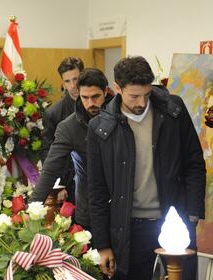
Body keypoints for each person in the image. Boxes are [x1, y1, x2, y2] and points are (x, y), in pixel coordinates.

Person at [87, 56, 206, 280]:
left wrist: (192, 215)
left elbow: (194, 163)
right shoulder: (100, 128)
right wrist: (102, 245)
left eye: (146, 94)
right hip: (130, 228)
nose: (141, 102)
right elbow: (97, 190)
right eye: (134, 96)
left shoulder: (174, 110)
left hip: (174, 222)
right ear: (117, 88)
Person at [31, 68, 111, 230]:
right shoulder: (69, 126)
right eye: (85, 98)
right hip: (88, 206)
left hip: (122, 207)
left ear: (106, 92)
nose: (90, 103)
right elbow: (51, 169)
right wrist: (33, 207)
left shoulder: (120, 118)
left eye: (95, 97)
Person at [40, 57, 84, 203]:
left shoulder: (98, 105)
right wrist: (56, 186)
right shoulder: (53, 113)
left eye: (76, 79)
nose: (73, 85)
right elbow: (48, 151)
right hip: (67, 183)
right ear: (62, 83)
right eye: (67, 81)